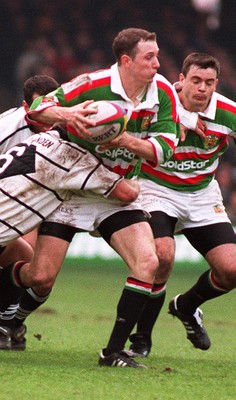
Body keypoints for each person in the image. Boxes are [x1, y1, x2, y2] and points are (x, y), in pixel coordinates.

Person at [13, 28, 180, 368]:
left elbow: (164, 149)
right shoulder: (92, 84)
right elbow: (39, 108)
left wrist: (124, 142)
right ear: (126, 61)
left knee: (148, 263)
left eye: (157, 55)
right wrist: (68, 114)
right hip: (71, 189)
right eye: (150, 57)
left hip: (117, 191)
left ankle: (113, 352)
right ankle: (11, 319)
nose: (157, 63)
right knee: (40, 277)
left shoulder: (162, 92)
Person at [124, 52, 236, 358]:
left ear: (217, 84)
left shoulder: (228, 112)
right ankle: (141, 341)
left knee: (231, 270)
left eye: (209, 83)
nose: (202, 88)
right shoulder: (157, 104)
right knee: (162, 257)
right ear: (181, 80)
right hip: (156, 189)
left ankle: (186, 307)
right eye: (196, 81)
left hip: (201, 195)